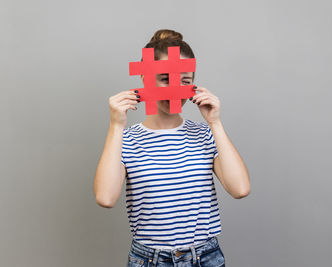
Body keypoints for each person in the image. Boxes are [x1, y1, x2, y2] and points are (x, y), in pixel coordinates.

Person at [94, 29, 250, 267]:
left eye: (184, 81)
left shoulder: (204, 134)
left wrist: (215, 123)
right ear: (146, 78)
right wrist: (116, 125)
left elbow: (240, 189)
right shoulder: (126, 140)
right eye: (166, 79)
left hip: (204, 258)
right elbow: (105, 197)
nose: (175, 88)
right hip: (149, 260)